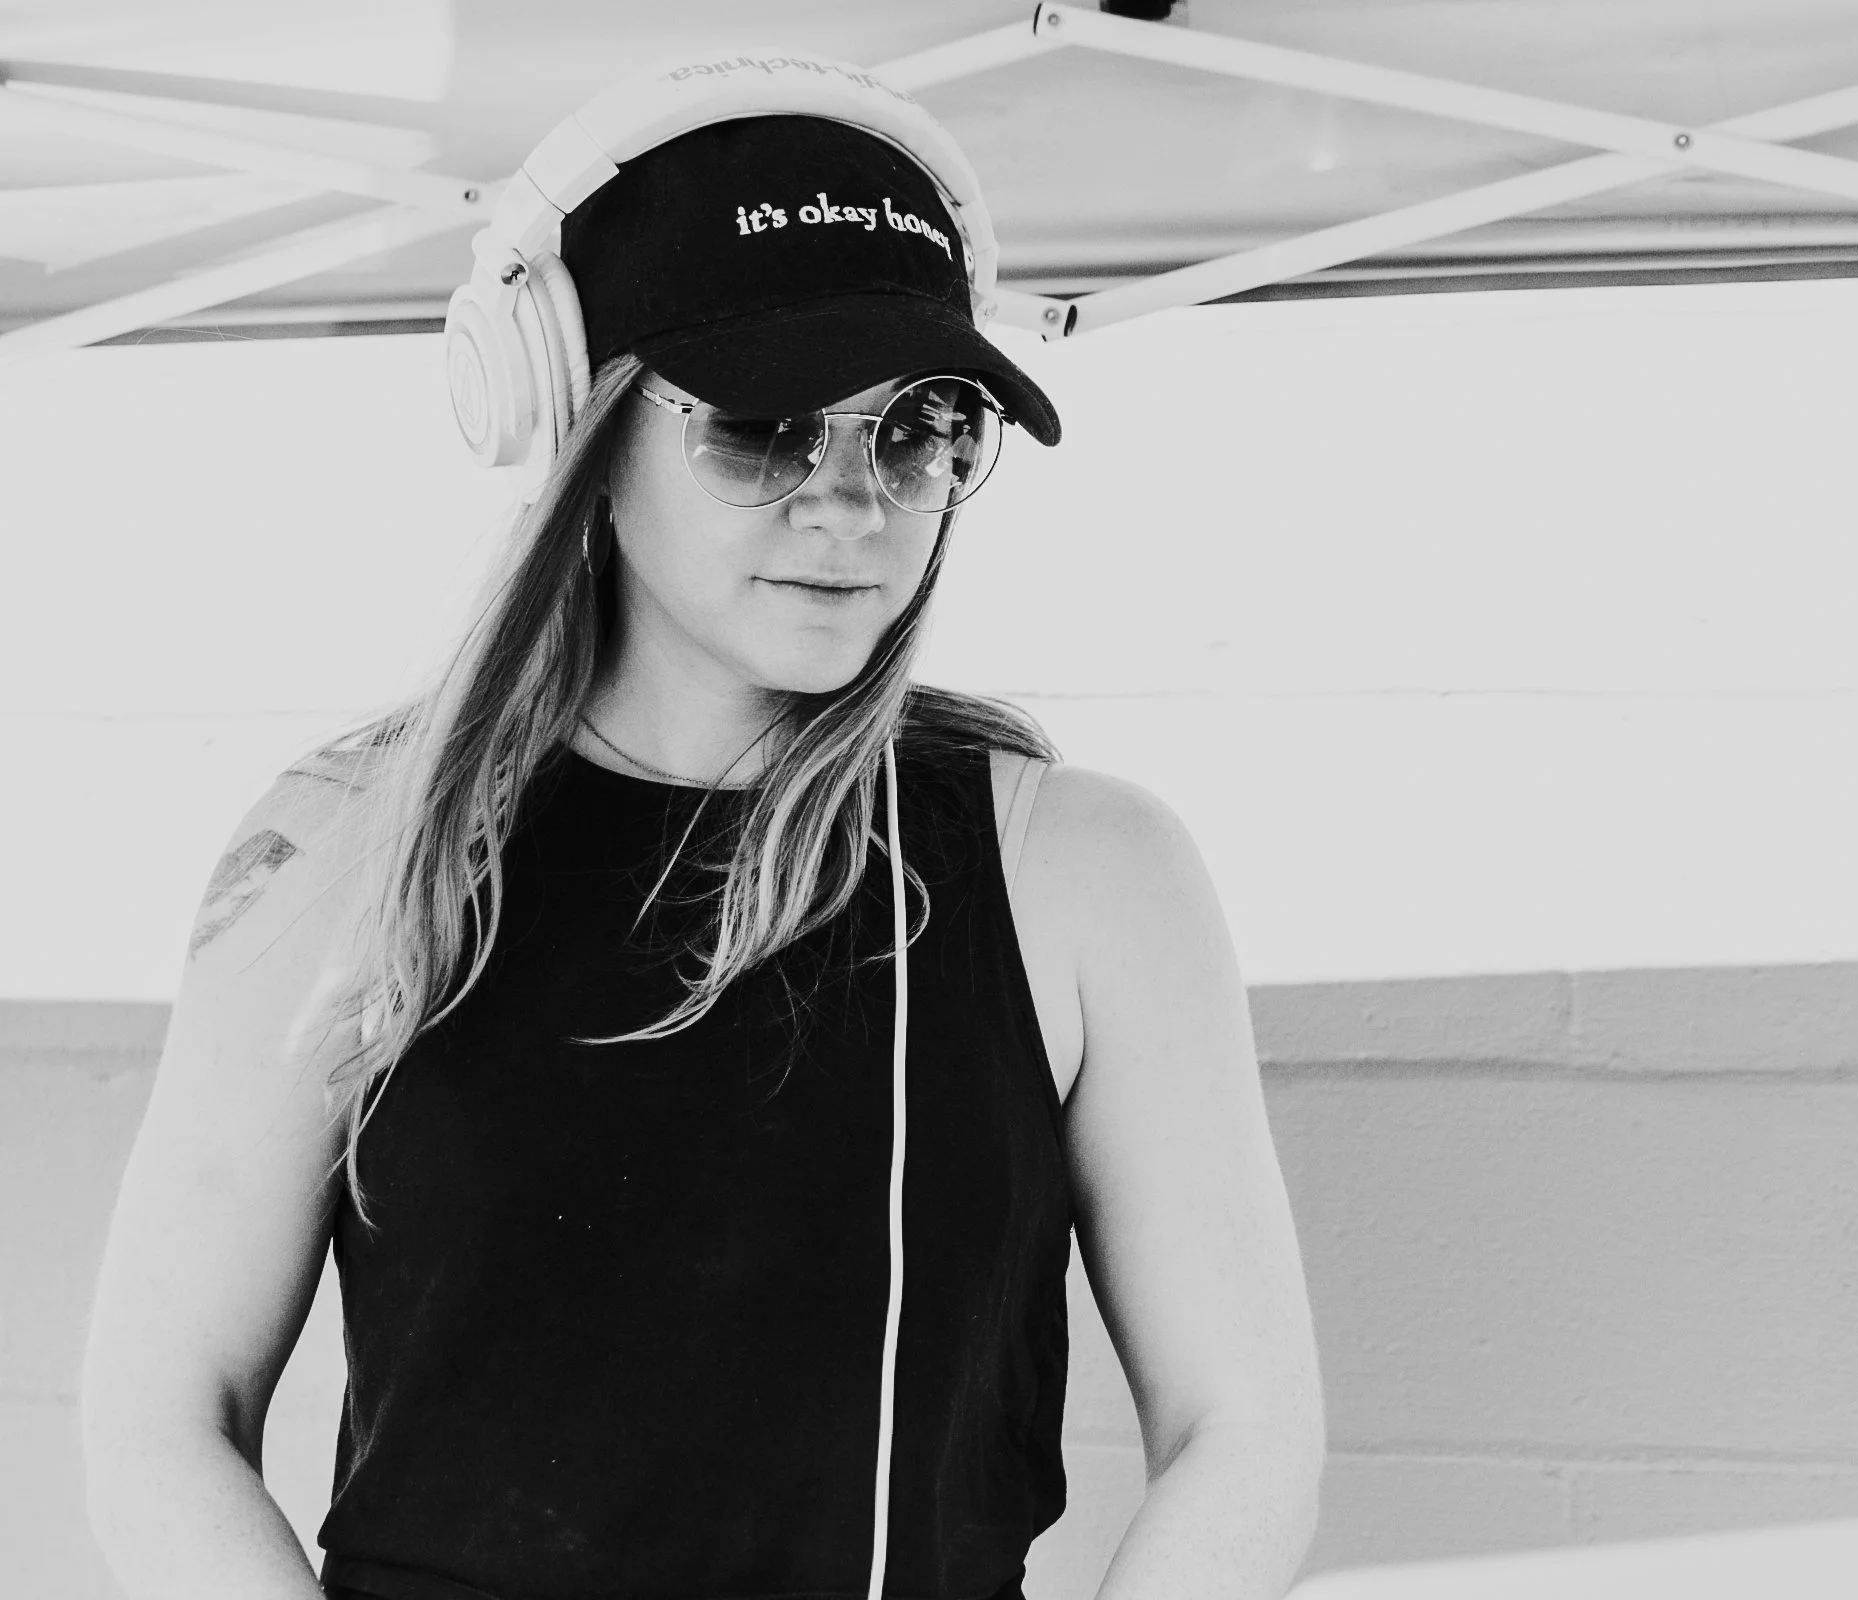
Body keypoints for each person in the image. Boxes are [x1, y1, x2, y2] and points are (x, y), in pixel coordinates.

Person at [77, 49, 1325, 1600]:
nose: (851, 502)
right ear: (585, 431)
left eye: (918, 428)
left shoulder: (1084, 871)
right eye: (764, 425)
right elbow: (160, 1422)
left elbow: (1246, 1433)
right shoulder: (343, 847)